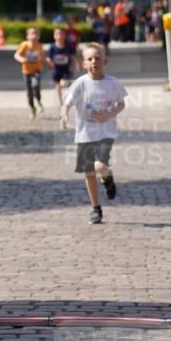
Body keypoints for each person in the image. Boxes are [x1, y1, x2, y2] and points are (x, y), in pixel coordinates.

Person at [61, 42, 127, 225]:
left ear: (105, 61)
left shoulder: (112, 83)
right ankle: (96, 208)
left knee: (99, 166)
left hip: (106, 132)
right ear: (84, 64)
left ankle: (108, 178)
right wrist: (64, 114)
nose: (94, 62)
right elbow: (67, 102)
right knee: (89, 173)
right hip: (84, 134)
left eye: (97, 58)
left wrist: (109, 114)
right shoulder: (80, 83)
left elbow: (121, 104)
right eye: (90, 59)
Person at [14, 26, 45, 118]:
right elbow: (16, 55)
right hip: (26, 71)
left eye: (36, 33)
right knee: (29, 91)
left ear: (39, 36)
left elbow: (43, 56)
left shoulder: (39, 46)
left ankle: (39, 102)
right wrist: (22, 59)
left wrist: (48, 61)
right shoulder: (24, 45)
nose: (34, 35)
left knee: (35, 85)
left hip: (37, 70)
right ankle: (32, 108)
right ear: (27, 36)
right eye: (32, 33)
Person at [46, 26, 80, 106]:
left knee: (63, 83)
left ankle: (66, 96)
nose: (60, 36)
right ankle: (60, 101)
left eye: (62, 34)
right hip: (56, 70)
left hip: (65, 69)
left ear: (65, 36)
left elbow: (74, 56)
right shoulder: (52, 47)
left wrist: (77, 64)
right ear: (54, 36)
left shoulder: (68, 46)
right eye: (57, 34)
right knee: (58, 86)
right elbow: (48, 57)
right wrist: (50, 62)